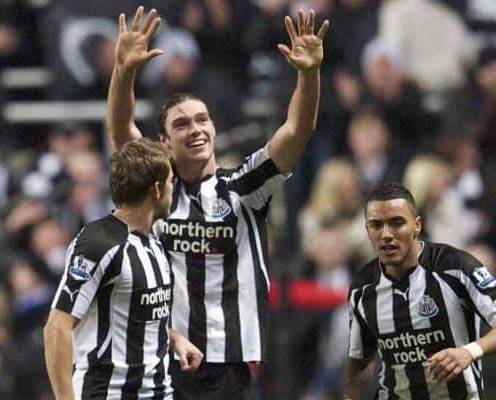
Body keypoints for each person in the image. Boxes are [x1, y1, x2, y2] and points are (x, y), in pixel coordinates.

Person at [105, 5, 329, 399]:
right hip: (163, 357)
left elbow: (297, 129)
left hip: (230, 363)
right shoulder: (154, 189)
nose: (195, 129)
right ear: (163, 142)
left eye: (201, 119)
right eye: (181, 123)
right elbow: (122, 131)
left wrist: (308, 75)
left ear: (213, 127)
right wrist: (123, 72)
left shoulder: (245, 186)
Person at [44, 138, 203, 400]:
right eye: (171, 183)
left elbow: (131, 313)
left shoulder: (152, 241)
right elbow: (56, 328)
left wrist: (174, 339)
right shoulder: (99, 242)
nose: (173, 191)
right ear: (157, 189)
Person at [343, 183, 496, 399]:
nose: (386, 234)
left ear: (417, 225)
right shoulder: (363, 287)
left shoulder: (455, 266)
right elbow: (358, 362)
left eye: (397, 223)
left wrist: (469, 352)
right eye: (376, 225)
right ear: (367, 229)